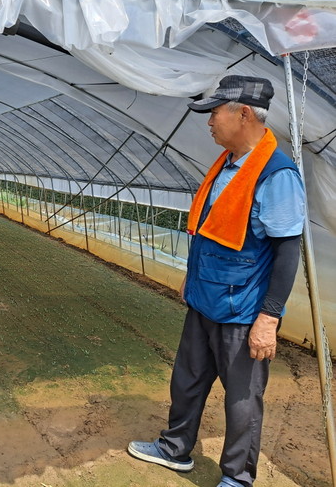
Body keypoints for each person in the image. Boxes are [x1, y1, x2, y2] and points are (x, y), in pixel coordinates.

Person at [127, 75, 306, 487]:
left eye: (215, 113)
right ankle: (175, 449)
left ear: (243, 114)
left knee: (242, 398)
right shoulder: (226, 164)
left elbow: (287, 252)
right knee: (187, 380)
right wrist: (191, 280)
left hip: (242, 310)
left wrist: (268, 318)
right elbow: (211, 233)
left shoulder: (276, 174)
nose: (209, 122)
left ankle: (237, 478)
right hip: (205, 299)